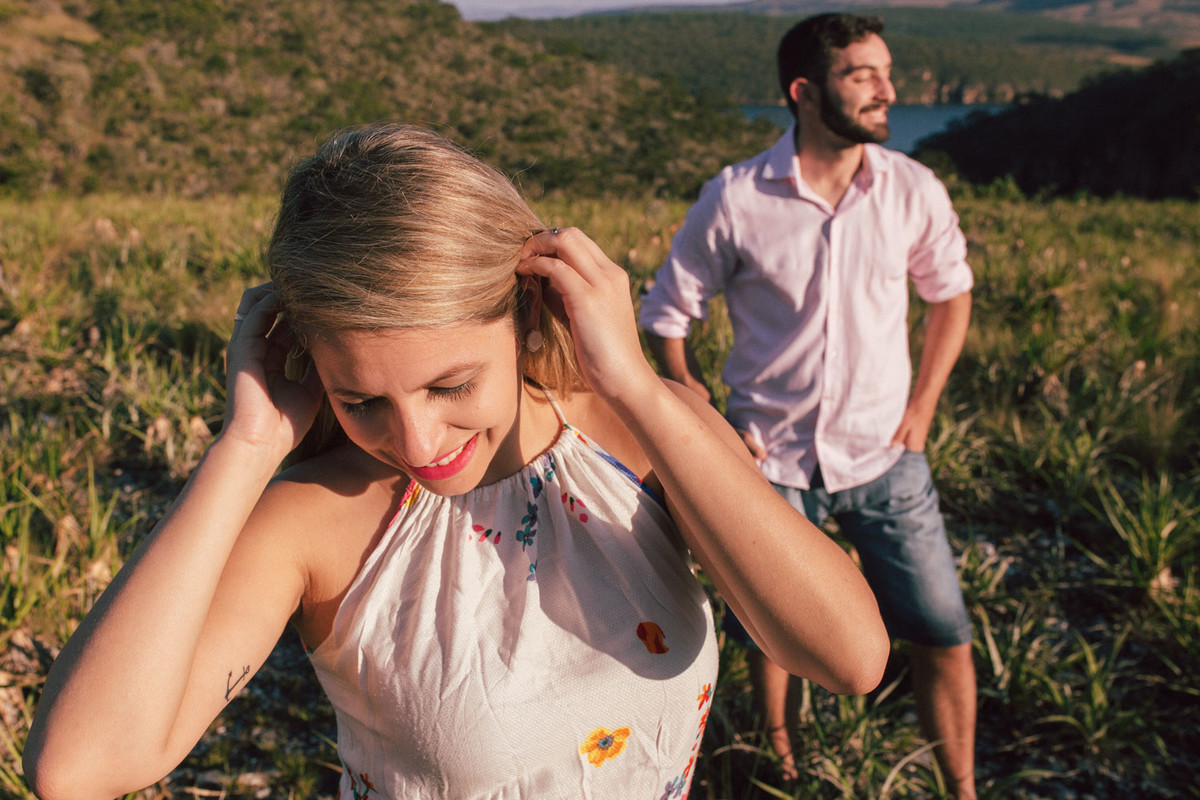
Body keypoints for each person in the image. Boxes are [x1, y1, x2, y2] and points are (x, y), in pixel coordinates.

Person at [23, 123, 889, 800]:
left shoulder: (642, 439)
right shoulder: (319, 519)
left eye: (452, 384)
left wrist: (635, 386)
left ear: (526, 310)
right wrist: (244, 449)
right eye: (361, 400)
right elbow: (81, 768)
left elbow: (848, 657)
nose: (418, 443)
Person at [637, 13, 977, 798]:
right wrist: (704, 414)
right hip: (772, 456)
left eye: (886, 71)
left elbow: (951, 296)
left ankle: (961, 787)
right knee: (774, 631)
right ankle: (779, 764)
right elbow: (665, 315)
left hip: (886, 459)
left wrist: (924, 404)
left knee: (942, 631)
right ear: (804, 92)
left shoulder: (911, 189)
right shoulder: (736, 198)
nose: (889, 89)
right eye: (863, 74)